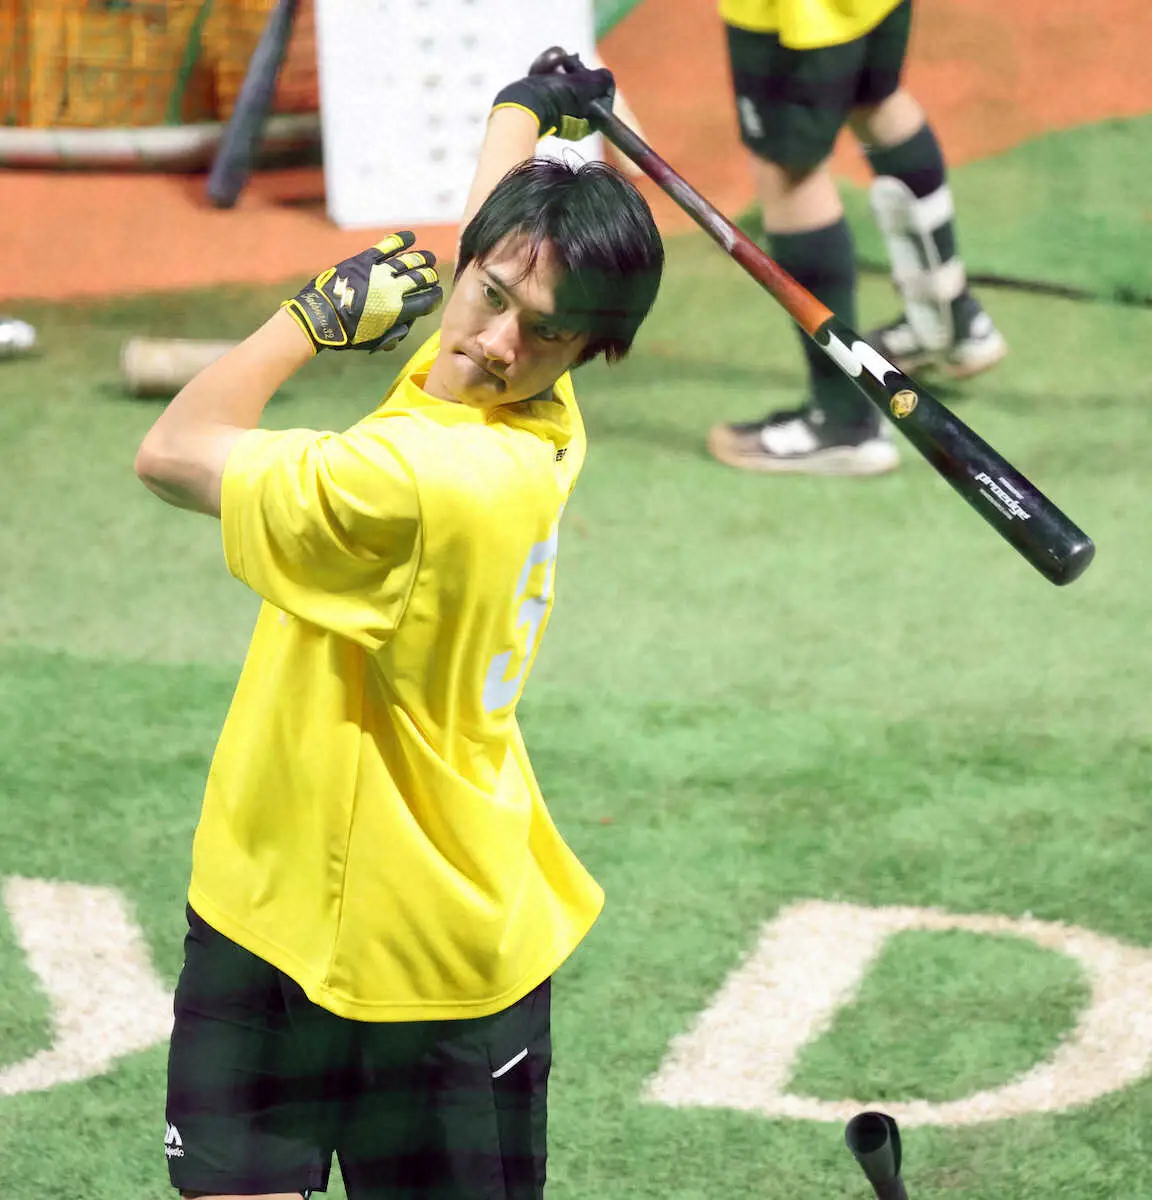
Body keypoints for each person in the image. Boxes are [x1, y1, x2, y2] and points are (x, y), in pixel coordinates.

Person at [134, 59, 663, 1200]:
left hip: (423, 964)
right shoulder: (520, 404)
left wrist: (310, 319)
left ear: (589, 350)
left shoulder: (423, 474)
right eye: (490, 297)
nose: (493, 343)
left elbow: (171, 453)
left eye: (542, 332)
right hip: (268, 901)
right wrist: (527, 106)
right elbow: (496, 245)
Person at [707, 0, 1007, 476]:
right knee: (875, 99)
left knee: (788, 173)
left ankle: (842, 421)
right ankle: (948, 320)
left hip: (794, 15)